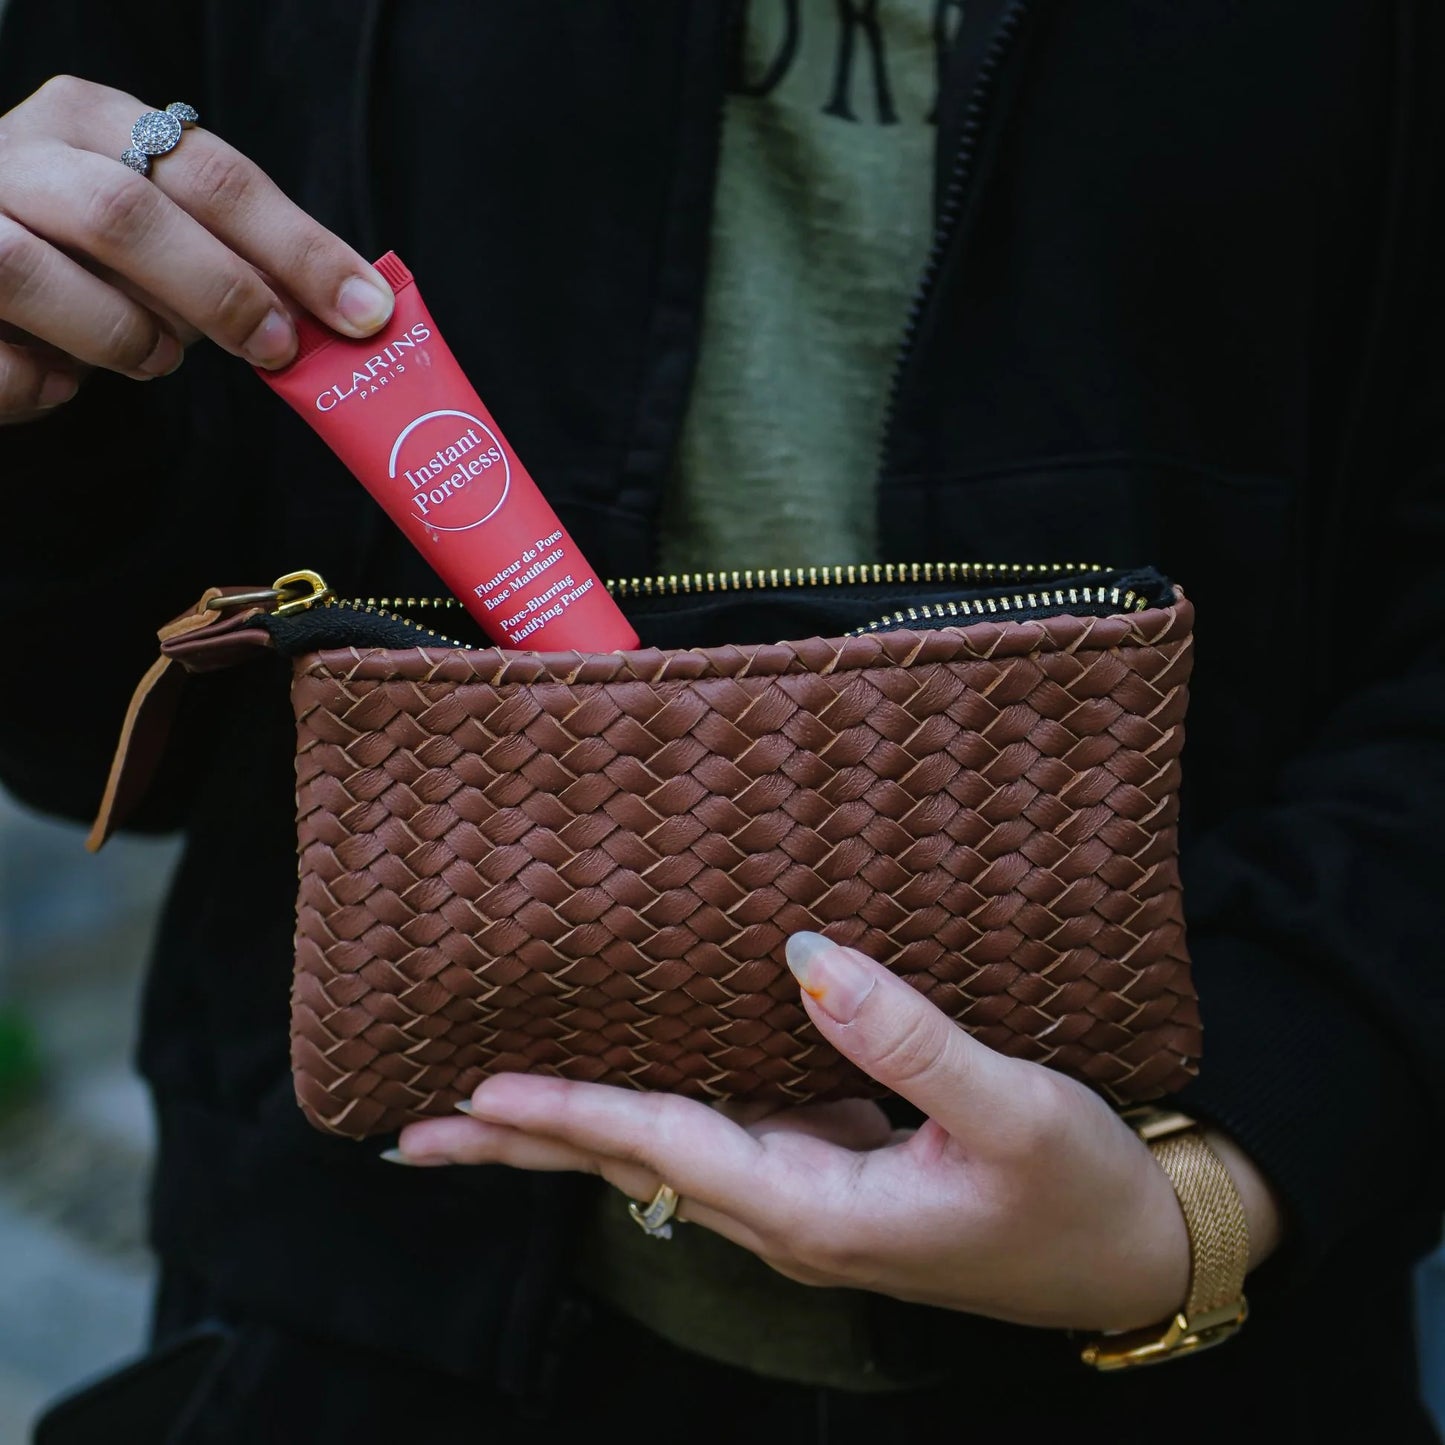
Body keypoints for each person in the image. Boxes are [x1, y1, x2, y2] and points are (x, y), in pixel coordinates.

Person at [0, 2, 1441, 1440]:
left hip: (1216, 1355)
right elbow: (94, 737)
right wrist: (42, 420)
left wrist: (1214, 1189)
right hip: (338, 1322)